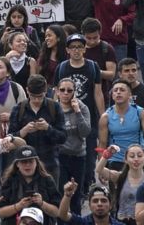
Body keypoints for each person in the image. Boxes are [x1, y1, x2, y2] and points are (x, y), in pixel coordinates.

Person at [53, 33, 104, 193]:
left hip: (86, 115)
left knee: (88, 156)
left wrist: (103, 116)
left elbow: (98, 92)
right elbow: (56, 93)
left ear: (84, 49)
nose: (76, 50)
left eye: (80, 47)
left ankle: (85, 188)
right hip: (65, 117)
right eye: (73, 47)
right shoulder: (61, 67)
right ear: (67, 50)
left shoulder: (92, 66)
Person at [8, 74, 67, 184]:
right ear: (27, 91)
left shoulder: (54, 107)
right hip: (24, 165)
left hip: (49, 163)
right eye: (32, 96)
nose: (36, 100)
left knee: (51, 199)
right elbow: (9, 137)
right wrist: (23, 131)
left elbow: (63, 137)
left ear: (46, 92)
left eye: (40, 96)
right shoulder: (19, 108)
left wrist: (48, 128)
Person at [98, 79, 144, 170]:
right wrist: (101, 167)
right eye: (115, 90)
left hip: (137, 158)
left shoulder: (140, 112)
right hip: (115, 160)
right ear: (112, 95)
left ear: (130, 95)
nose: (118, 93)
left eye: (122, 90)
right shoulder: (106, 116)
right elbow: (102, 143)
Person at [0, 146, 61, 225]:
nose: (27, 165)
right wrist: (19, 206)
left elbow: (57, 212)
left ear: (36, 162)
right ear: (17, 164)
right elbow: (0, 212)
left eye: (31, 161)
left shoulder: (47, 180)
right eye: (24, 162)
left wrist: (42, 203)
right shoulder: (10, 181)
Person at [55, 78, 91, 215]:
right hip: (60, 156)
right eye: (62, 90)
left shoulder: (82, 107)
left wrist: (77, 112)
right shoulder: (53, 108)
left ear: (74, 92)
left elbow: (85, 132)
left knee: (76, 196)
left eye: (69, 90)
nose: (65, 93)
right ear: (57, 91)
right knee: (60, 194)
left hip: (78, 156)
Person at [96, 144, 144, 224]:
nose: (136, 159)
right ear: (125, 160)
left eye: (139, 156)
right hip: (123, 221)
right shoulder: (119, 176)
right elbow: (99, 170)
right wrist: (106, 155)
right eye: (132, 156)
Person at [116, 58, 144, 134]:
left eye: (134, 70)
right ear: (120, 74)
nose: (131, 73)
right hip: (122, 136)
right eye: (127, 71)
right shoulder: (115, 91)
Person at [60, 181, 125, 225]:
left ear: (111, 205)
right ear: (90, 206)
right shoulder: (82, 222)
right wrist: (67, 195)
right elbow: (63, 215)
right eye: (95, 201)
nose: (99, 204)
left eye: (103, 201)